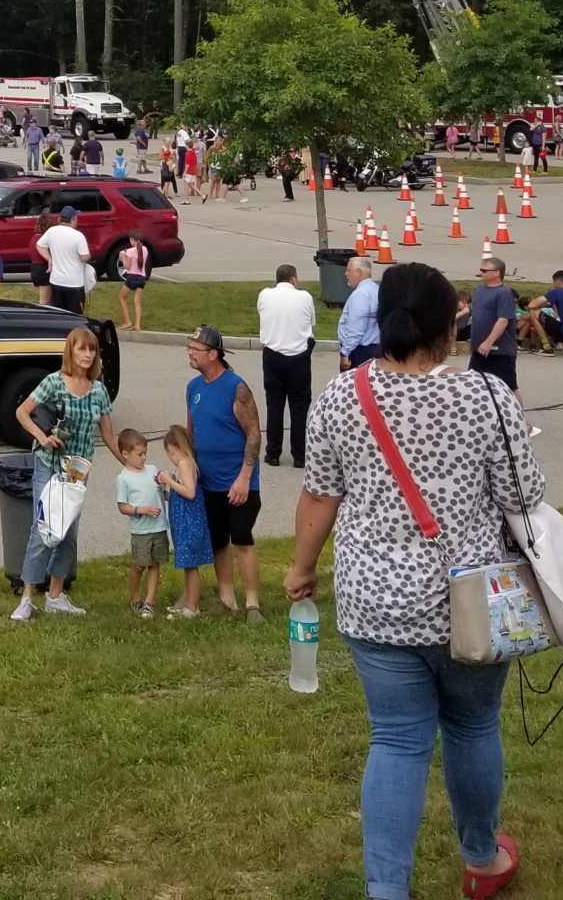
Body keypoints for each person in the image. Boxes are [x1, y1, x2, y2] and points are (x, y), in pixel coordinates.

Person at [284, 259, 544, 900]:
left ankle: (386, 889)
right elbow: (525, 496)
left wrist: (301, 567)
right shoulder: (487, 396)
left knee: (396, 742)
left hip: (377, 603)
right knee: (474, 727)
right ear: (447, 327)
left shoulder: (342, 396)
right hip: (473, 602)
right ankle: (481, 860)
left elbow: (319, 496)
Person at [10, 327, 118, 620]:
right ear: (70, 351)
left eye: (92, 350)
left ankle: (56, 594)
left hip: (78, 472)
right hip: (50, 463)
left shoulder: (98, 390)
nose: (87, 355)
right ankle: (28, 596)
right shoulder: (54, 382)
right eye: (81, 349)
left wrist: (131, 463)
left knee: (68, 531)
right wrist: (42, 437)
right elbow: (22, 411)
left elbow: (109, 435)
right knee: (44, 527)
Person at [185, 325, 266, 616]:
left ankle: (252, 602)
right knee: (219, 541)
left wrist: (244, 478)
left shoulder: (237, 387)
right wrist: (187, 471)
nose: (190, 353)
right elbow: (191, 434)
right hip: (209, 483)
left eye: (195, 349)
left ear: (213, 353)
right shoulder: (193, 389)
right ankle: (226, 597)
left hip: (238, 481)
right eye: (189, 347)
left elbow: (254, 434)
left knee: (242, 538)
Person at [257, 262, 317, 468]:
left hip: (272, 355)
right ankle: (299, 455)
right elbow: (311, 323)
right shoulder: (305, 297)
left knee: (274, 404)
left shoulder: (264, 295)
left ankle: (273, 452)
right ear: (293, 279)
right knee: (299, 407)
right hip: (299, 357)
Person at [466, 255, 530, 433]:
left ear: (496, 273)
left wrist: (489, 342)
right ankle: (480, 420)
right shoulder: (479, 291)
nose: (481, 273)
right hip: (479, 349)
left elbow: (503, 321)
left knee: (509, 386)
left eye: (485, 270)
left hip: (500, 350)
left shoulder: (504, 293)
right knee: (474, 384)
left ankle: (521, 421)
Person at [157, 425, 213, 617]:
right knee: (187, 563)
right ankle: (187, 600)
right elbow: (180, 493)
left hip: (189, 521)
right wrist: (166, 491)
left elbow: (189, 492)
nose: (170, 457)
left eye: (171, 452)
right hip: (183, 520)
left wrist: (169, 481)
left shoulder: (185, 464)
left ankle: (192, 606)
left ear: (177, 448)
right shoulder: (182, 465)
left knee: (191, 564)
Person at [113, 428, 170, 615]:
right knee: (139, 565)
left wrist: (167, 487)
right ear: (125, 454)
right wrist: (141, 510)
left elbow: (161, 492)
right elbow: (122, 506)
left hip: (158, 527)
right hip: (140, 531)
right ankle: (135, 596)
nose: (144, 457)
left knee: (154, 564)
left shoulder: (152, 470)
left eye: (145, 453)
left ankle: (149, 602)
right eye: (140, 454)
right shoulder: (124, 479)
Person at [34, 203, 92, 318]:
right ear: (73, 219)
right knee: (76, 316)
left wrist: (50, 259)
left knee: (59, 315)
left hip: (56, 281)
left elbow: (39, 245)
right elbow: (84, 257)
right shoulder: (78, 236)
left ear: (61, 219)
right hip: (74, 283)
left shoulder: (52, 231)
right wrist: (89, 255)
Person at [337, 254, 382, 371]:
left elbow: (356, 327)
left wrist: (345, 352)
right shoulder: (376, 290)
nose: (346, 274)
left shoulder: (360, 295)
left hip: (359, 353)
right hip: (375, 350)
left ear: (358, 272)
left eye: (348, 270)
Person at [113, 229, 154, 331]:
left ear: (132, 240)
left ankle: (127, 322)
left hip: (132, 277)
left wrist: (123, 258)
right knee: (137, 301)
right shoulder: (145, 249)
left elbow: (127, 267)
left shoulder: (130, 252)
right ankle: (137, 325)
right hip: (142, 277)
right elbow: (136, 252)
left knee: (122, 297)